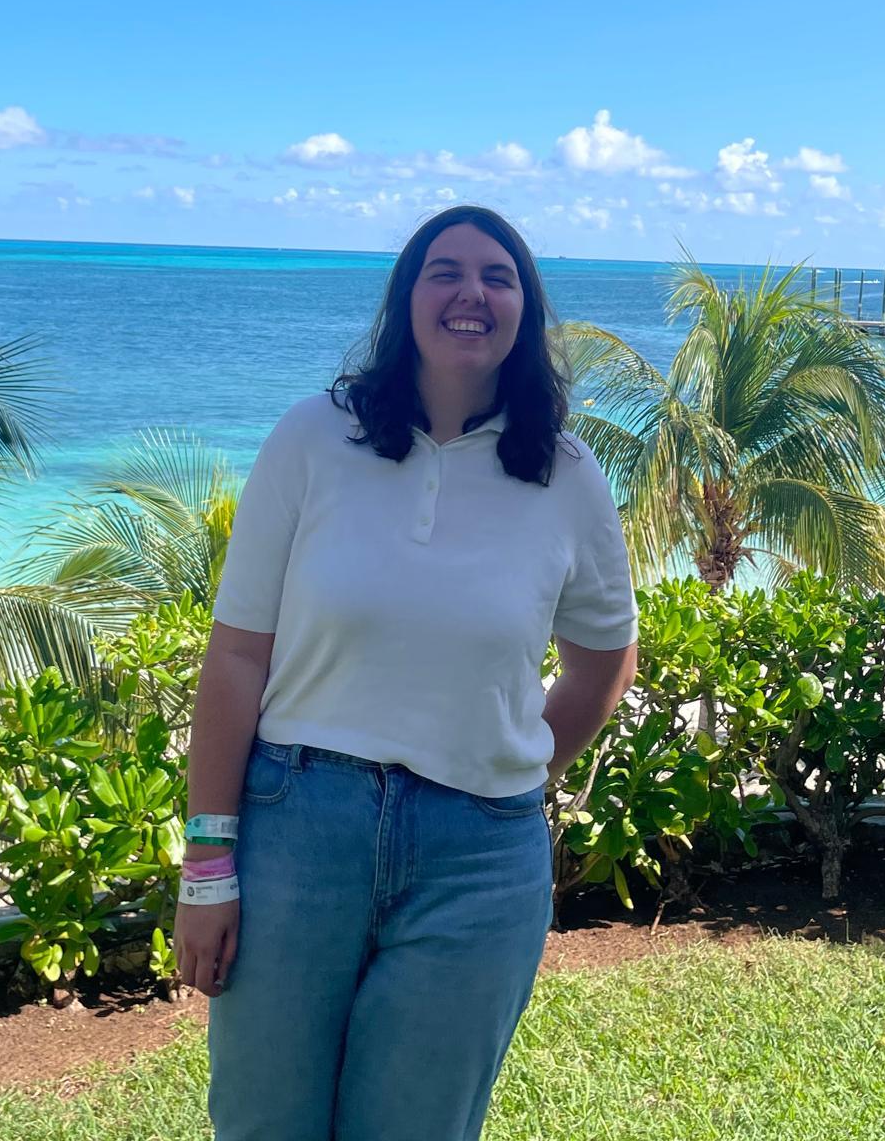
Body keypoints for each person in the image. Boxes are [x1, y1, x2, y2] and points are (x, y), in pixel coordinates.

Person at [175, 204, 638, 1141]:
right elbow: (235, 657)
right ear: (406, 299)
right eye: (445, 271)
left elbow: (602, 660)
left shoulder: (568, 476)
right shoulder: (313, 439)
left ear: (524, 310)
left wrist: (512, 773)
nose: (471, 292)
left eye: (497, 277)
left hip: (479, 861)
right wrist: (207, 866)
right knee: (264, 1123)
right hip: (300, 830)